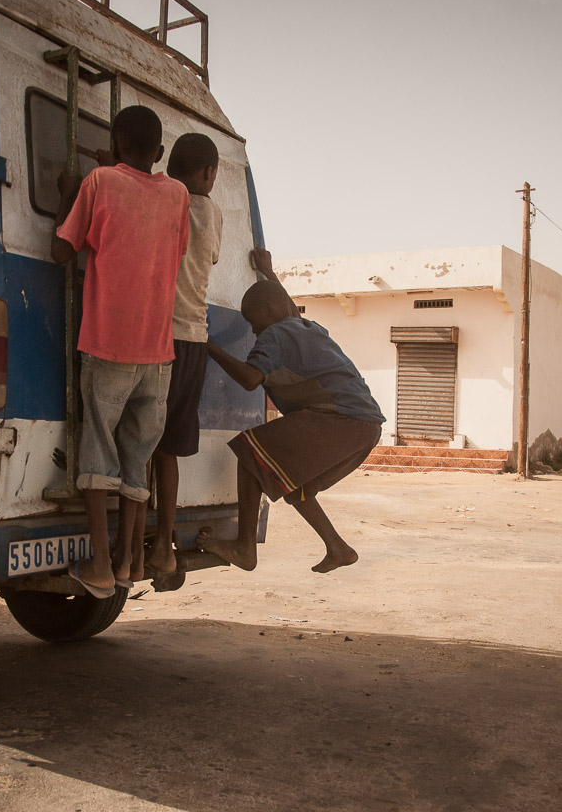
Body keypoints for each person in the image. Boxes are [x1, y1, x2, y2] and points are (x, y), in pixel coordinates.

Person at [52, 105, 189, 597]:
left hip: (109, 343)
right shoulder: (178, 195)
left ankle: (101, 567)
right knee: (138, 460)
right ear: (158, 152)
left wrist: (70, 196)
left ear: (114, 146)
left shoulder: (99, 182)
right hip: (158, 352)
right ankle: (131, 560)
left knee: (98, 453)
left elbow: (62, 251)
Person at [200, 255, 385, 573]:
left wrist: (206, 343)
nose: (253, 328)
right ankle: (338, 547)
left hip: (340, 419)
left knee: (249, 452)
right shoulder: (306, 326)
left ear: (268, 312)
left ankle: (245, 549)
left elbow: (249, 379)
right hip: (366, 425)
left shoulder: (275, 334)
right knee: (295, 487)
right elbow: (284, 305)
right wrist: (268, 273)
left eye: (252, 319)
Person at [142, 132, 223, 588]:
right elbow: (209, 256)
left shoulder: (161, 199)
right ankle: (164, 544)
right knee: (167, 449)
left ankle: (136, 538)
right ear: (209, 173)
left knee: (141, 441)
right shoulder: (211, 213)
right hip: (193, 337)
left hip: (154, 336)